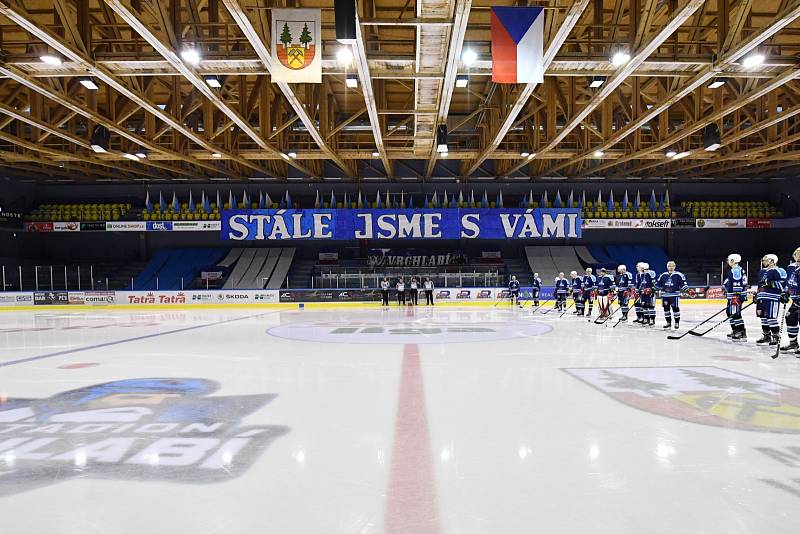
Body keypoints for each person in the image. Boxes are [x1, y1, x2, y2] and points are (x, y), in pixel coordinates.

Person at [754, 253, 786, 345]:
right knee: (763, 317)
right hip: (762, 297)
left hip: (772, 297)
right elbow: (760, 284)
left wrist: (770, 283)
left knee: (771, 318)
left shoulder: (779, 270)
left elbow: (783, 284)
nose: (763, 261)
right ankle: (766, 336)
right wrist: (757, 294)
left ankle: (775, 336)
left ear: (772, 261)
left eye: (765, 260)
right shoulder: (761, 271)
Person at [722, 254, 748, 341]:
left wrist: (736, 296)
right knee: (729, 313)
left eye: (729, 260)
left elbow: (737, 283)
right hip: (734, 296)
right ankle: (735, 330)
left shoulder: (735, 270)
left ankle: (741, 331)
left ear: (733, 260)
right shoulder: (736, 270)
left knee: (735, 314)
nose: (728, 261)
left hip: (736, 296)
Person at [656, 261, 687, 330]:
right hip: (665, 296)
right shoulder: (663, 275)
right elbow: (658, 284)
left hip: (674, 295)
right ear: (667, 267)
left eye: (672, 266)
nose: (671, 267)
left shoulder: (679, 275)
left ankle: (677, 323)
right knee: (666, 309)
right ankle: (668, 323)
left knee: (675, 309)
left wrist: (688, 290)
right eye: (669, 266)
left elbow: (683, 285)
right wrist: (653, 289)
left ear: (675, 266)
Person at [781, 247, 800, 353]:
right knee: (790, 318)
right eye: (797, 254)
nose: (798, 257)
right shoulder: (794, 269)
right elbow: (790, 283)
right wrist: (786, 292)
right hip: (796, 301)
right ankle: (793, 343)